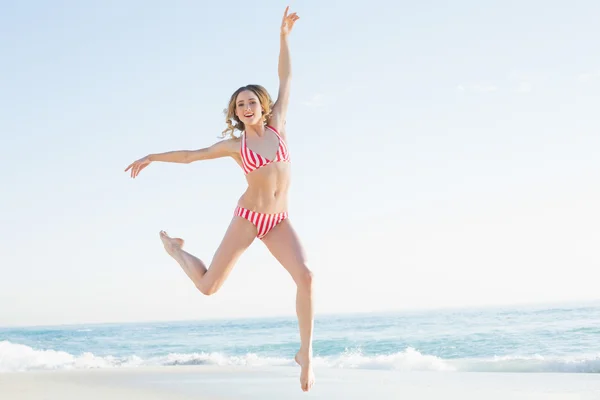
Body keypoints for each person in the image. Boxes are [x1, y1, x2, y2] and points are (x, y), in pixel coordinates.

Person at [124, 6, 315, 392]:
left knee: (307, 276)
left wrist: (283, 38)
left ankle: (305, 356)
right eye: (239, 105)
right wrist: (152, 156)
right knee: (209, 287)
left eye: (251, 102)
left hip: (279, 220)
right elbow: (191, 156)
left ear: (262, 105)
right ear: (236, 113)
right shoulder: (235, 145)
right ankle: (176, 250)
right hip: (249, 217)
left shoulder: (279, 126)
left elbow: (287, 77)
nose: (246, 108)